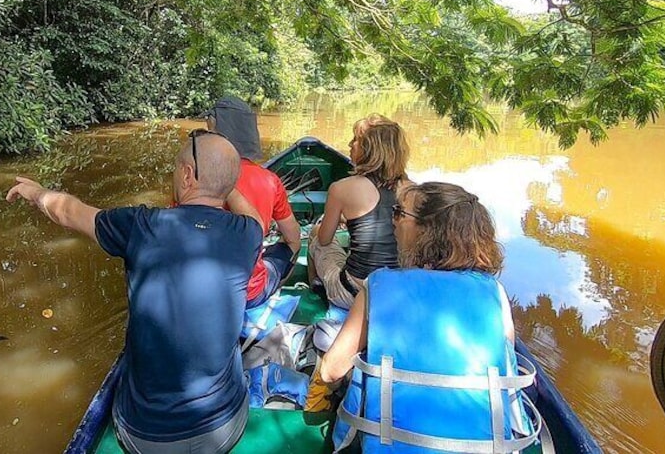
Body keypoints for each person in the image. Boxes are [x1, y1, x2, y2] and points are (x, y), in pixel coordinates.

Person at [6, 131, 263, 454]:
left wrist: (37, 192)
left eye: (177, 167)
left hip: (145, 438)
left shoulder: (141, 226)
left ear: (187, 175)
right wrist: (224, 184)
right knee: (237, 361)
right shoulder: (247, 234)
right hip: (223, 430)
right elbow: (253, 216)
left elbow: (68, 212)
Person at [320, 182, 539, 453]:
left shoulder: (378, 285)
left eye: (399, 213)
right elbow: (505, 365)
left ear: (427, 230)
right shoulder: (495, 293)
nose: (393, 220)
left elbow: (331, 370)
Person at [205, 95, 301, 308]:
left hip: (204, 290)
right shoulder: (270, 180)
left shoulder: (193, 178)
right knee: (291, 245)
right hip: (248, 293)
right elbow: (294, 238)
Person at [307, 114, 410, 309]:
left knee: (315, 234)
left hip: (351, 295)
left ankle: (316, 287)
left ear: (369, 149)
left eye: (355, 140)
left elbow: (324, 240)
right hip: (395, 294)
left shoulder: (341, 188)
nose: (349, 144)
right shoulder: (413, 191)